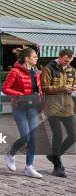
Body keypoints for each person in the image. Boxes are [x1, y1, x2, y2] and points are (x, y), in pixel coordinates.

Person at [2, 47, 44, 178]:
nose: (37, 59)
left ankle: (29, 167)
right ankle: (11, 154)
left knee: (33, 138)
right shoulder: (15, 71)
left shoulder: (36, 72)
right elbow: (5, 88)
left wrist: (42, 107)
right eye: (34, 57)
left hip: (33, 107)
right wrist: (20, 95)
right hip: (19, 107)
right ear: (27, 58)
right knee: (25, 137)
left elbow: (39, 91)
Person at [41, 48, 75, 178]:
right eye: (65, 60)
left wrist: (72, 88)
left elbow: (73, 84)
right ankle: (57, 167)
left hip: (68, 107)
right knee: (58, 135)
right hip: (53, 107)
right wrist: (62, 88)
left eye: (69, 61)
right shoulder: (49, 69)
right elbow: (44, 88)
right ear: (59, 57)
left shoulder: (72, 70)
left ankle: (53, 156)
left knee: (73, 135)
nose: (67, 64)